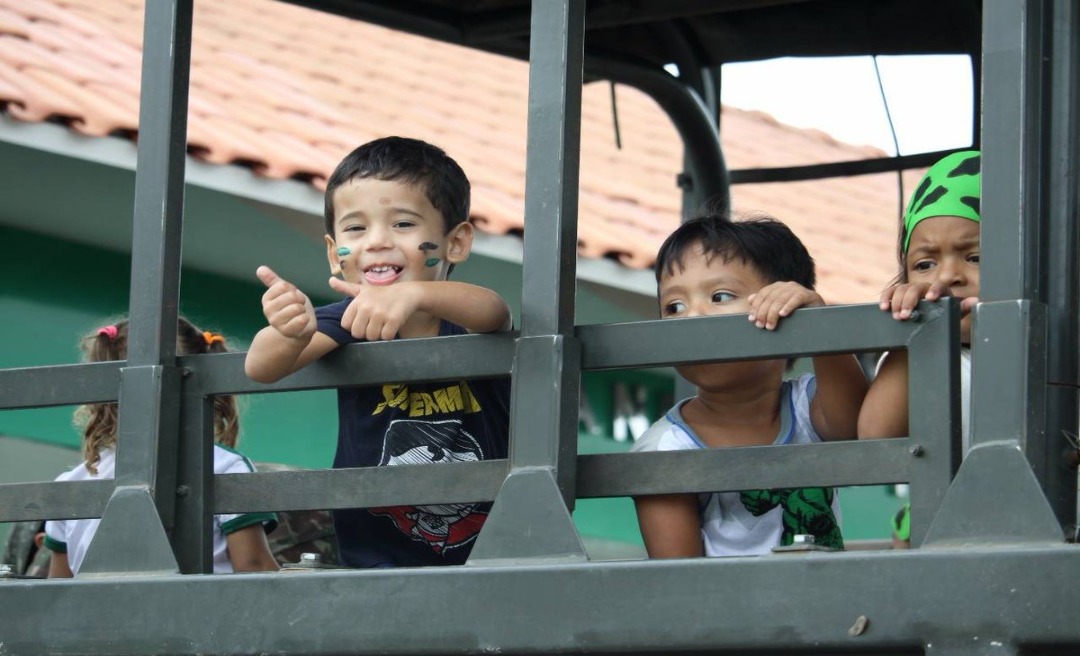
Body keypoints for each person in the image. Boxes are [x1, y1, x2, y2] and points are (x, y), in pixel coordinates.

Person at [245, 136, 513, 568]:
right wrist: (290, 331)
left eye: (403, 224)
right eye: (356, 228)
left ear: (456, 242)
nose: (377, 241)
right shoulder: (344, 319)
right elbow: (260, 367)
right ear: (335, 253)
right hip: (373, 558)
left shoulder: (466, 317)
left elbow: (494, 311)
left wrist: (415, 297)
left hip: (489, 554)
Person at [632, 212, 868, 558]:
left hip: (829, 607)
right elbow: (680, 586)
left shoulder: (806, 405)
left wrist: (818, 320)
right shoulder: (664, 450)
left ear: (785, 309)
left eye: (720, 297)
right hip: (727, 609)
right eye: (675, 306)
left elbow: (853, 428)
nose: (692, 317)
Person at [44, 318, 280, 576]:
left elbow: (59, 585)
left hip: (97, 615)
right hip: (197, 614)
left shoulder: (71, 481)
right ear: (207, 381)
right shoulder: (226, 466)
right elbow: (254, 568)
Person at [857, 150, 982, 548]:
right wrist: (913, 329)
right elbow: (876, 437)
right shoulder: (923, 358)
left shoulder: (1059, 354)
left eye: (975, 257)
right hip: (944, 548)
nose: (948, 277)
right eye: (925, 264)